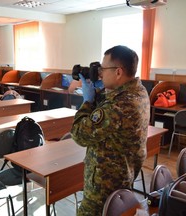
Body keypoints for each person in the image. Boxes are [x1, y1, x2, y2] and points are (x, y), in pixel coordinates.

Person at [71, 45, 150, 216]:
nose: (100, 73)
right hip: (124, 175)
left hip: (104, 186)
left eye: (103, 68)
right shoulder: (140, 91)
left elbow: (79, 134)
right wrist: (99, 92)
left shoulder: (118, 106)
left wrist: (87, 101)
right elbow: (112, 115)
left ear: (118, 72)